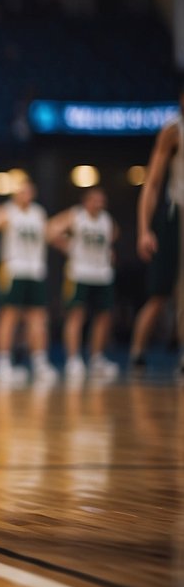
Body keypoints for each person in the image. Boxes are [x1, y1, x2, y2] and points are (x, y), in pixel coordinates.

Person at [0, 178, 58, 385]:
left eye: (28, 190)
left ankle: (39, 362)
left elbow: (50, 233)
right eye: (21, 191)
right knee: (9, 316)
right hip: (13, 270)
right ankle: (3, 363)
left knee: (37, 317)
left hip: (35, 271)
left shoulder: (39, 213)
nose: (24, 194)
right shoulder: (7, 211)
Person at [131, 86, 183, 374]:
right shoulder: (173, 130)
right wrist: (144, 229)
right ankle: (138, 352)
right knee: (160, 292)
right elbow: (151, 183)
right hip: (177, 214)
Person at [46, 187, 118, 381]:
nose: (99, 204)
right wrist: (68, 246)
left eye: (102, 200)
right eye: (95, 200)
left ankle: (96, 358)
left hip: (102, 274)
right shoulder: (76, 215)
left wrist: (109, 253)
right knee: (77, 315)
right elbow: (51, 229)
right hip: (79, 273)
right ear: (86, 201)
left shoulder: (107, 220)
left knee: (103, 316)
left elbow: (112, 239)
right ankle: (73, 359)